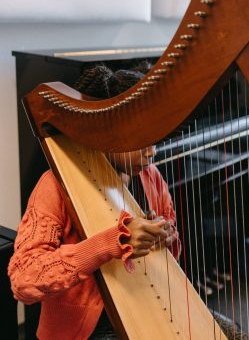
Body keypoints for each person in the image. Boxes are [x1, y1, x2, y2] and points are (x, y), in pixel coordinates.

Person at [8, 63, 180, 340]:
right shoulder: (53, 186)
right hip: (84, 331)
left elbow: (168, 235)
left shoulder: (150, 176)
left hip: (143, 307)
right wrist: (113, 242)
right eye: (141, 140)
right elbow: (23, 280)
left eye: (154, 138)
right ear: (105, 133)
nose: (152, 152)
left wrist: (163, 236)